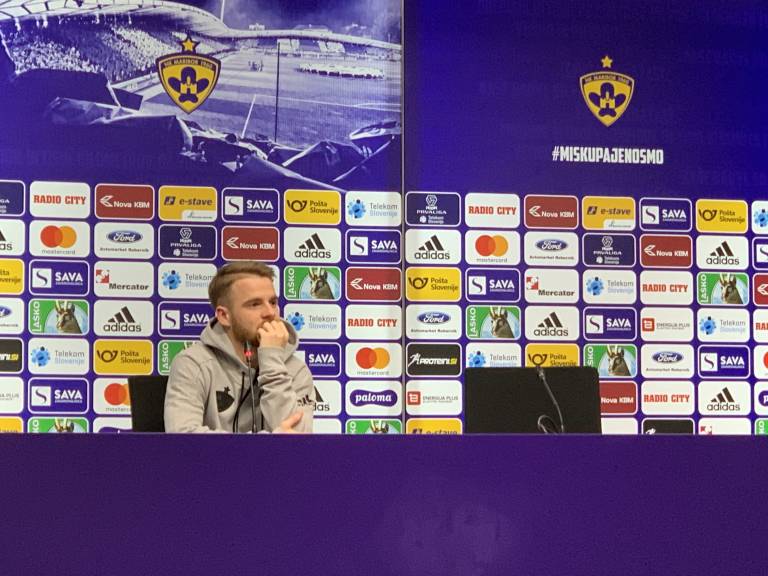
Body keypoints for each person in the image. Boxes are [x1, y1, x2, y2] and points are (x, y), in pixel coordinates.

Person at [164, 262, 314, 433]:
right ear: (224, 316)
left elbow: (298, 440)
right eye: (255, 304)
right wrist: (268, 442)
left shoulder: (296, 370)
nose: (270, 313)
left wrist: (272, 361)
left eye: (273, 302)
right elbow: (183, 437)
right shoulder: (193, 364)